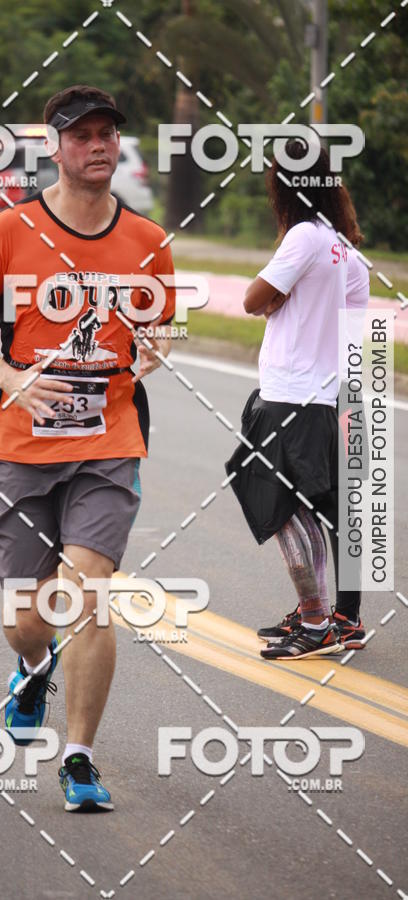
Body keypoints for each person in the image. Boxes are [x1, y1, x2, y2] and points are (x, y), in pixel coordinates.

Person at [0, 85, 175, 809]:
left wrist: (157, 347)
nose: (99, 145)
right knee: (24, 618)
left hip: (110, 438)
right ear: (54, 146)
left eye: (108, 134)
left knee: (90, 596)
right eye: (83, 136)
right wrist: (10, 378)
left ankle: (79, 759)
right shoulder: (10, 231)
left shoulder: (148, 240)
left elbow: (164, 324)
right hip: (19, 446)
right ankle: (33, 668)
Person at [225, 138, 369, 660]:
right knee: (327, 510)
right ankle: (339, 618)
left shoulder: (304, 237)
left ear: (282, 185)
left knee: (279, 508)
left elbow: (249, 301)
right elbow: (352, 324)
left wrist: (276, 296)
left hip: (287, 395)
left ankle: (316, 621)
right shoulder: (341, 246)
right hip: (323, 396)